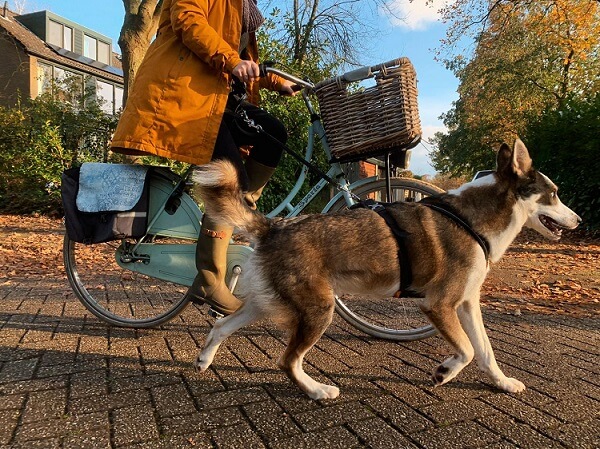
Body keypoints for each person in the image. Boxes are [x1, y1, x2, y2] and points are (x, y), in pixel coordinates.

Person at [110, 0, 297, 316]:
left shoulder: (243, 8)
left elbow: (246, 64)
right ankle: (209, 279)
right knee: (228, 182)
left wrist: (279, 81)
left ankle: (238, 211)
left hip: (220, 100)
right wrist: (231, 61)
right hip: (189, 99)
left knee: (273, 133)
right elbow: (189, 21)